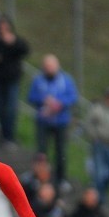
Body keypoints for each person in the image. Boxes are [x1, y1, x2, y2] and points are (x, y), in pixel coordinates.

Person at [27, 54, 78, 191]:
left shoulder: (66, 80)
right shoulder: (38, 80)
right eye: (47, 67)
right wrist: (43, 100)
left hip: (60, 121)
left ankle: (61, 179)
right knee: (41, 151)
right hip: (43, 121)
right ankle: (39, 177)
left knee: (61, 151)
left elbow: (73, 97)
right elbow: (31, 96)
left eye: (51, 67)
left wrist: (60, 103)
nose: (49, 69)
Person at [0, 15, 29, 144]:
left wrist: (13, 42)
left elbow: (24, 50)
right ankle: (3, 134)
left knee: (11, 108)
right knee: (0, 108)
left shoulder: (16, 40)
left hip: (12, 79)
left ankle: (10, 135)